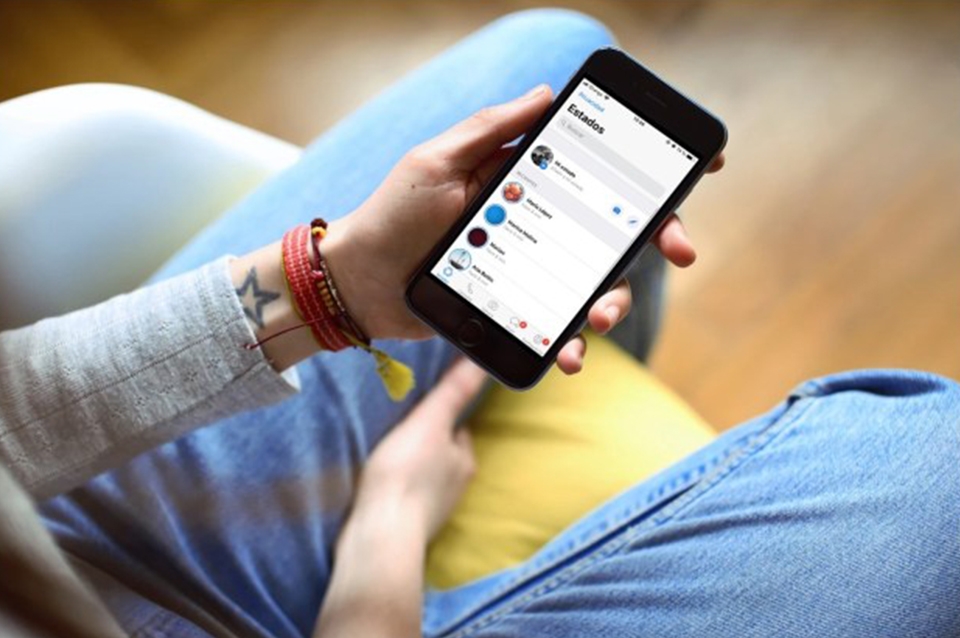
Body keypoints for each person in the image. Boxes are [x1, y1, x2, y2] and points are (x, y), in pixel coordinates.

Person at [0, 9, 956, 638]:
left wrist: (329, 286)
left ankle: (542, 350)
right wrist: (386, 537)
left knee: (558, 51)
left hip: (55, 521)